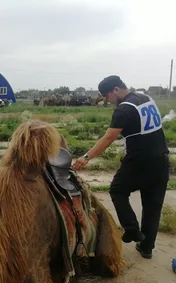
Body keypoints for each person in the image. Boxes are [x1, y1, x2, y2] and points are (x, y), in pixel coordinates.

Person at [72, 75, 169, 259]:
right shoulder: (146, 98)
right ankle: (147, 247)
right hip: (161, 159)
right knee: (152, 206)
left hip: (139, 160)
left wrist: (86, 157)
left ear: (116, 90)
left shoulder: (124, 109)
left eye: (107, 96)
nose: (108, 101)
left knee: (117, 190)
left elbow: (108, 138)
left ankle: (132, 229)